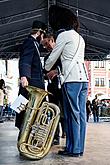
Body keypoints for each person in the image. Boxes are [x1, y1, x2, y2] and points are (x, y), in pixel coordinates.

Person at [45, 5, 88, 157]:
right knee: (81, 116)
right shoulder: (80, 37)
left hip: (71, 80)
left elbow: (51, 60)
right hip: (83, 78)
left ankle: (73, 149)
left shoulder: (63, 36)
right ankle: (78, 148)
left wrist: (47, 65)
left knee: (71, 115)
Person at [15, 20, 47, 130]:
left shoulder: (34, 44)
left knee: (28, 113)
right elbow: (25, 59)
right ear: (39, 33)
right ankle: (23, 137)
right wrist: (24, 76)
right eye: (43, 36)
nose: (43, 40)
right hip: (31, 84)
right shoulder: (30, 42)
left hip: (33, 83)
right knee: (25, 113)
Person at [42, 34, 66, 145]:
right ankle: (55, 135)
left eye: (47, 43)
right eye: (44, 45)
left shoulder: (62, 53)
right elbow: (44, 72)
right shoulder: (47, 57)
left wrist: (56, 71)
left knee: (64, 112)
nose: (46, 47)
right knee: (53, 112)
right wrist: (47, 75)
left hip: (63, 86)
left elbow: (66, 67)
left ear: (52, 40)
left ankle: (65, 132)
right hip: (52, 87)